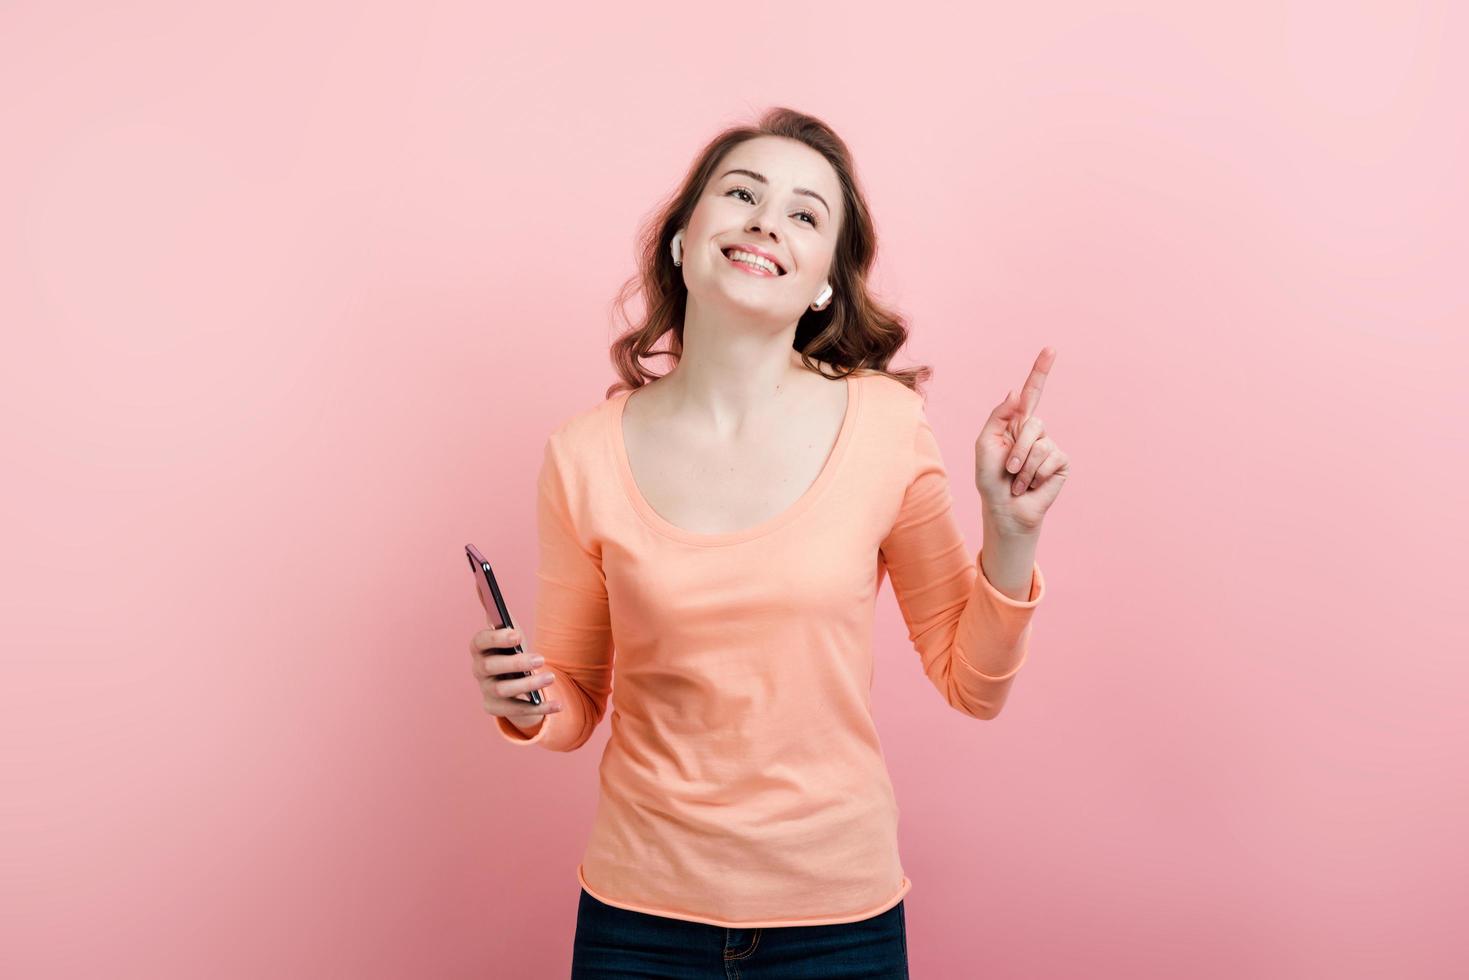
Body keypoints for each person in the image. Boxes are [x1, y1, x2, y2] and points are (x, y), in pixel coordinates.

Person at [469, 107, 1070, 979]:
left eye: (803, 213)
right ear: (682, 240)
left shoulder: (884, 425)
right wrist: (526, 702)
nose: (764, 221)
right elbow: (573, 700)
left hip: (838, 922)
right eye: (741, 193)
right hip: (636, 922)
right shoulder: (582, 453)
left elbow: (969, 684)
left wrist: (1012, 534)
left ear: (825, 281)